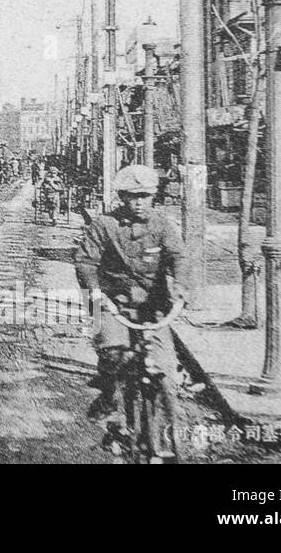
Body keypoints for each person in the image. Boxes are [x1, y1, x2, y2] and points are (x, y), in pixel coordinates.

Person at [75, 164, 190, 421]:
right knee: (113, 353)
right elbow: (85, 262)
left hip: (153, 303)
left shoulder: (161, 225)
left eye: (145, 196)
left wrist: (181, 286)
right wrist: (94, 293)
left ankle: (164, 421)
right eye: (132, 196)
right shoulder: (105, 224)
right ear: (122, 197)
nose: (139, 203)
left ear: (153, 197)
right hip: (110, 301)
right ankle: (107, 398)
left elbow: (178, 256)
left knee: (166, 367)